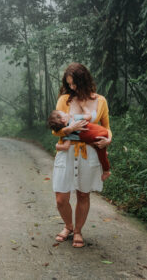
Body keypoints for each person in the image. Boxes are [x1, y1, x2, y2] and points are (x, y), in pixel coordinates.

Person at [52, 62, 112, 248]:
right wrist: (69, 128)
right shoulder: (64, 100)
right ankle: (68, 226)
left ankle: (77, 230)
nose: (72, 87)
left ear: (84, 80)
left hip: (90, 154)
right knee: (61, 198)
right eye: (69, 84)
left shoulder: (100, 101)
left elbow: (107, 128)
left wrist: (108, 141)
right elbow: (56, 130)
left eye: (75, 83)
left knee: (83, 195)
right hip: (67, 152)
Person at [48, 106, 111, 181]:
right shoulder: (75, 118)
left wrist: (57, 146)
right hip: (100, 133)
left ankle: (106, 171)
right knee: (94, 145)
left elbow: (65, 146)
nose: (66, 113)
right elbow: (89, 116)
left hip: (98, 135)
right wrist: (84, 107)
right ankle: (106, 168)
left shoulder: (68, 135)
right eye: (64, 113)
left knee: (98, 151)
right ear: (63, 119)